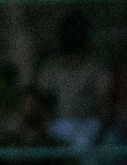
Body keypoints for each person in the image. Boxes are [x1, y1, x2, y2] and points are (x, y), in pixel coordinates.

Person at [36, 12, 109, 151]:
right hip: (59, 125)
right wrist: (44, 125)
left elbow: (103, 104)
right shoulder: (50, 67)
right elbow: (42, 101)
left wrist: (101, 127)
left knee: (84, 141)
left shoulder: (95, 67)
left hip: (88, 125)